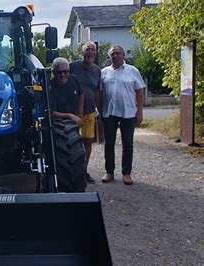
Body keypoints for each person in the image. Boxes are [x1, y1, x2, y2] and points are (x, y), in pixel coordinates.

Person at [99, 45, 145, 185]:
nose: (115, 56)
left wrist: (140, 111)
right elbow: (100, 93)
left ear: (123, 55)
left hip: (128, 112)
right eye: (113, 54)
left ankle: (126, 174)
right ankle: (109, 172)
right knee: (109, 144)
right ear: (109, 56)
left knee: (127, 144)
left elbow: (140, 92)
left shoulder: (132, 71)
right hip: (109, 112)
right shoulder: (104, 72)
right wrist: (99, 111)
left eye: (118, 53)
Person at [49, 57, 85, 192]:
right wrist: (70, 116)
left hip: (74, 121)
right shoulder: (51, 87)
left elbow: (81, 95)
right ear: (54, 73)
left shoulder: (74, 79)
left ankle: (82, 173)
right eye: (59, 72)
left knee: (82, 147)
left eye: (66, 71)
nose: (63, 75)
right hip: (59, 123)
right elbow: (51, 112)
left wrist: (79, 114)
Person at [69, 42, 101, 184]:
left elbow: (97, 92)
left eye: (92, 50)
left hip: (89, 112)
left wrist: (100, 110)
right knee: (73, 142)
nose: (90, 52)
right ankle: (71, 171)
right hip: (73, 112)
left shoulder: (97, 71)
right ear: (82, 53)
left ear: (95, 53)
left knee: (88, 141)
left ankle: (84, 170)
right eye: (87, 50)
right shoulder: (72, 66)